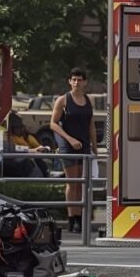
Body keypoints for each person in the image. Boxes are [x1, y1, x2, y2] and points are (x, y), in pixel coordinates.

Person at [50, 68, 96, 233]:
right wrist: (69, 139)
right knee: (72, 181)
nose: (77, 83)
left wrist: (94, 146)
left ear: (85, 82)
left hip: (84, 145)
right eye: (74, 79)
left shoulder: (89, 100)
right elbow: (53, 123)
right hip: (68, 146)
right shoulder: (63, 100)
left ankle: (81, 217)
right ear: (69, 81)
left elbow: (91, 123)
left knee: (82, 183)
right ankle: (72, 218)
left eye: (80, 80)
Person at [2, 112, 51, 178]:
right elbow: (12, 149)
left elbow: (37, 146)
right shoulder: (8, 137)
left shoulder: (27, 137)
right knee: (29, 161)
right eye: (17, 127)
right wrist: (32, 151)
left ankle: (45, 175)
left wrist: (37, 150)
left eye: (20, 127)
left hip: (25, 157)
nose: (20, 129)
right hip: (16, 161)